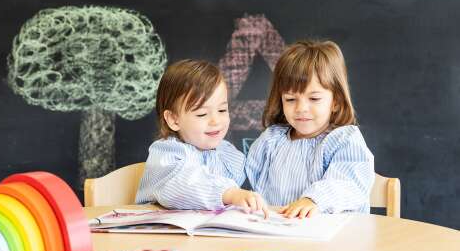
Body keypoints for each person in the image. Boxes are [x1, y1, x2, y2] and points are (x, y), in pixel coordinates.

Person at [246, 40, 374, 219]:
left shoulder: (344, 140)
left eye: (314, 99)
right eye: (290, 99)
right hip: (278, 236)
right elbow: (247, 176)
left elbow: (348, 183)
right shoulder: (271, 140)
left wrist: (314, 200)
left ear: (335, 101)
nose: (301, 108)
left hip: (333, 239)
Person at [136, 59, 268, 217]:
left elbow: (252, 174)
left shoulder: (225, 151)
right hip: (161, 234)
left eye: (222, 110)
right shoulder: (166, 152)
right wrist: (230, 194)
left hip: (206, 235)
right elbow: (184, 185)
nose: (215, 121)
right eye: (202, 114)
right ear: (173, 119)